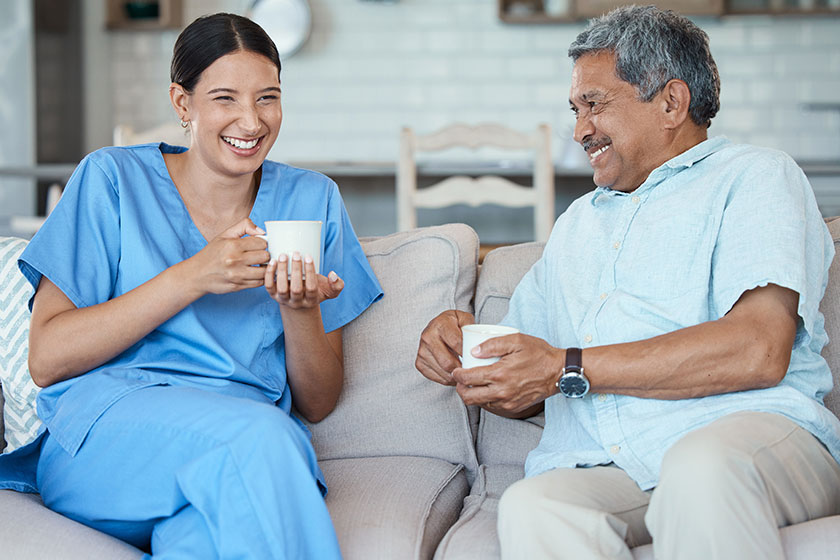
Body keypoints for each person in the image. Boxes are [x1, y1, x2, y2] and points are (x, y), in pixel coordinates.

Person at [415, 5, 840, 559]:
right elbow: (529, 379)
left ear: (671, 102)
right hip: (609, 461)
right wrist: (469, 355)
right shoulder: (576, 224)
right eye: (574, 109)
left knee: (699, 468)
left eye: (594, 104)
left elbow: (759, 349)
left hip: (748, 435)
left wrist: (565, 367)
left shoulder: (754, 176)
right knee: (535, 506)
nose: (579, 129)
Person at [0, 12, 381, 559]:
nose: (251, 121)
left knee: (203, 540)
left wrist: (299, 311)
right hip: (107, 438)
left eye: (268, 98)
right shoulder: (110, 178)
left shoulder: (312, 199)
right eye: (224, 98)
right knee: (263, 440)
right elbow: (47, 357)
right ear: (183, 104)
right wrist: (194, 275)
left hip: (235, 443)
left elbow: (318, 403)